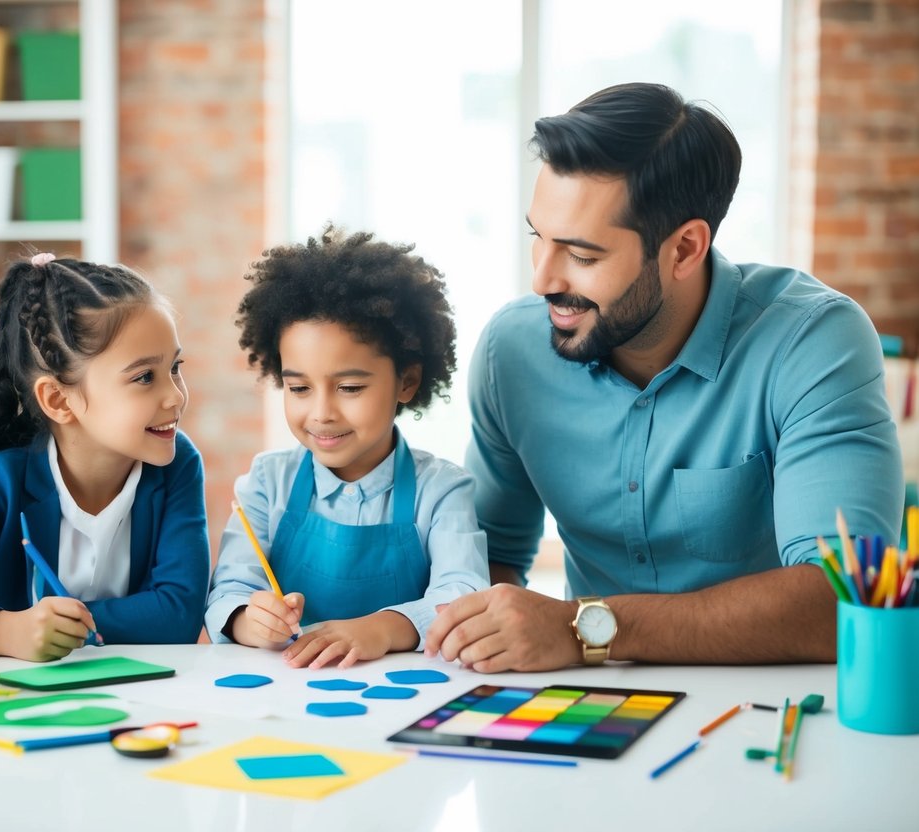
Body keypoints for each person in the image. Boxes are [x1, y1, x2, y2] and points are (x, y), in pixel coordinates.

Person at [424, 82, 903, 672]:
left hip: (770, 711)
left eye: (582, 255)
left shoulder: (812, 342)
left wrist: (584, 632)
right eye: (537, 239)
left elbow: (843, 598)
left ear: (683, 249)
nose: (542, 280)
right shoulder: (512, 350)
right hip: (591, 705)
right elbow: (487, 557)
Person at [0, 253, 209, 661]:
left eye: (175, 367)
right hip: (7, 699)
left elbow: (180, 615)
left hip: (134, 693)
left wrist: (68, 627)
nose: (176, 395)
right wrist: (0, 630)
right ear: (58, 400)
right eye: (144, 377)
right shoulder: (3, 481)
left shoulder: (177, 466)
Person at [205, 226, 490, 668]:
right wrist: (248, 618)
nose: (321, 413)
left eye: (350, 387)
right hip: (285, 693)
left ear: (407, 382)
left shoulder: (444, 491)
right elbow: (228, 591)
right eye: (298, 387)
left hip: (400, 698)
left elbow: (461, 596)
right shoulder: (265, 483)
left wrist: (379, 629)